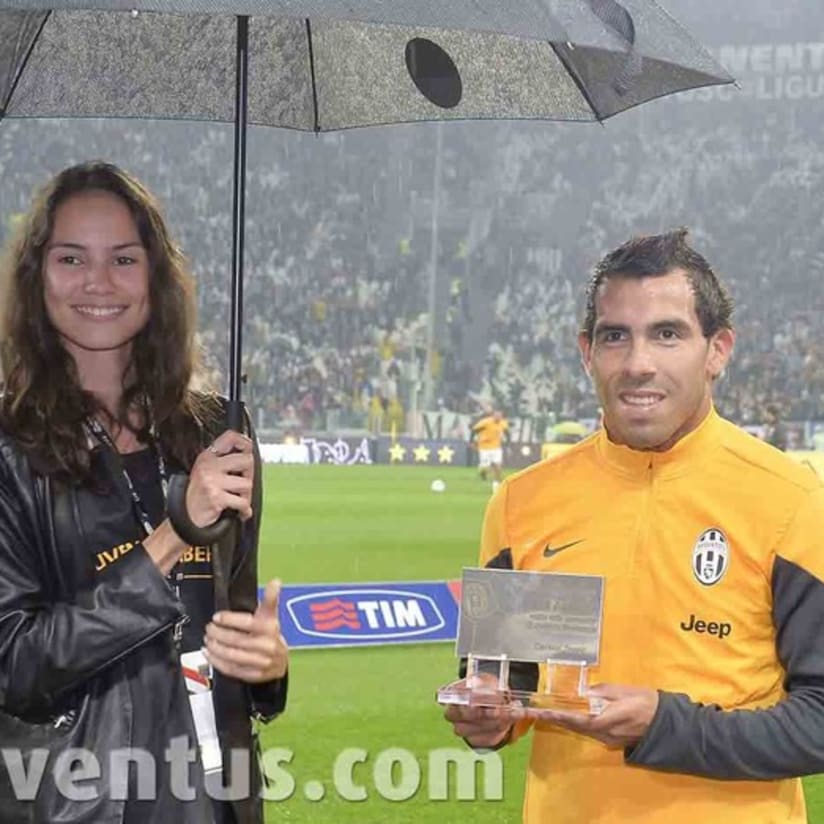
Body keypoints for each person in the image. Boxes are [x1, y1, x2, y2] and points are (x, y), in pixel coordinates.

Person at [444, 229, 824, 823]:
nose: (639, 363)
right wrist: (484, 716)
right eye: (615, 336)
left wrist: (664, 725)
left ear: (718, 350)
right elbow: (500, 691)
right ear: (586, 352)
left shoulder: (796, 501)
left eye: (667, 334)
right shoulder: (521, 504)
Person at [0, 161, 288, 824]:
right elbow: (16, 666)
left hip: (211, 802)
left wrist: (267, 668)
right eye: (71, 257)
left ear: (154, 277)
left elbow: (234, 620)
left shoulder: (221, 430)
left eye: (123, 259)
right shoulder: (8, 446)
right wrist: (171, 536)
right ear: (36, 274)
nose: (98, 282)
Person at [470, 408, 509, 491]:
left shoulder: (503, 423)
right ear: (493, 416)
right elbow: (474, 430)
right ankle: (482, 472)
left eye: (500, 416)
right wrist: (471, 442)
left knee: (498, 466)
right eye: (496, 415)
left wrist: (508, 444)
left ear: (501, 416)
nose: (498, 417)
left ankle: (496, 486)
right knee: (485, 468)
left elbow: (507, 433)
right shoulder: (485, 422)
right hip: (484, 448)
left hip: (496, 448)